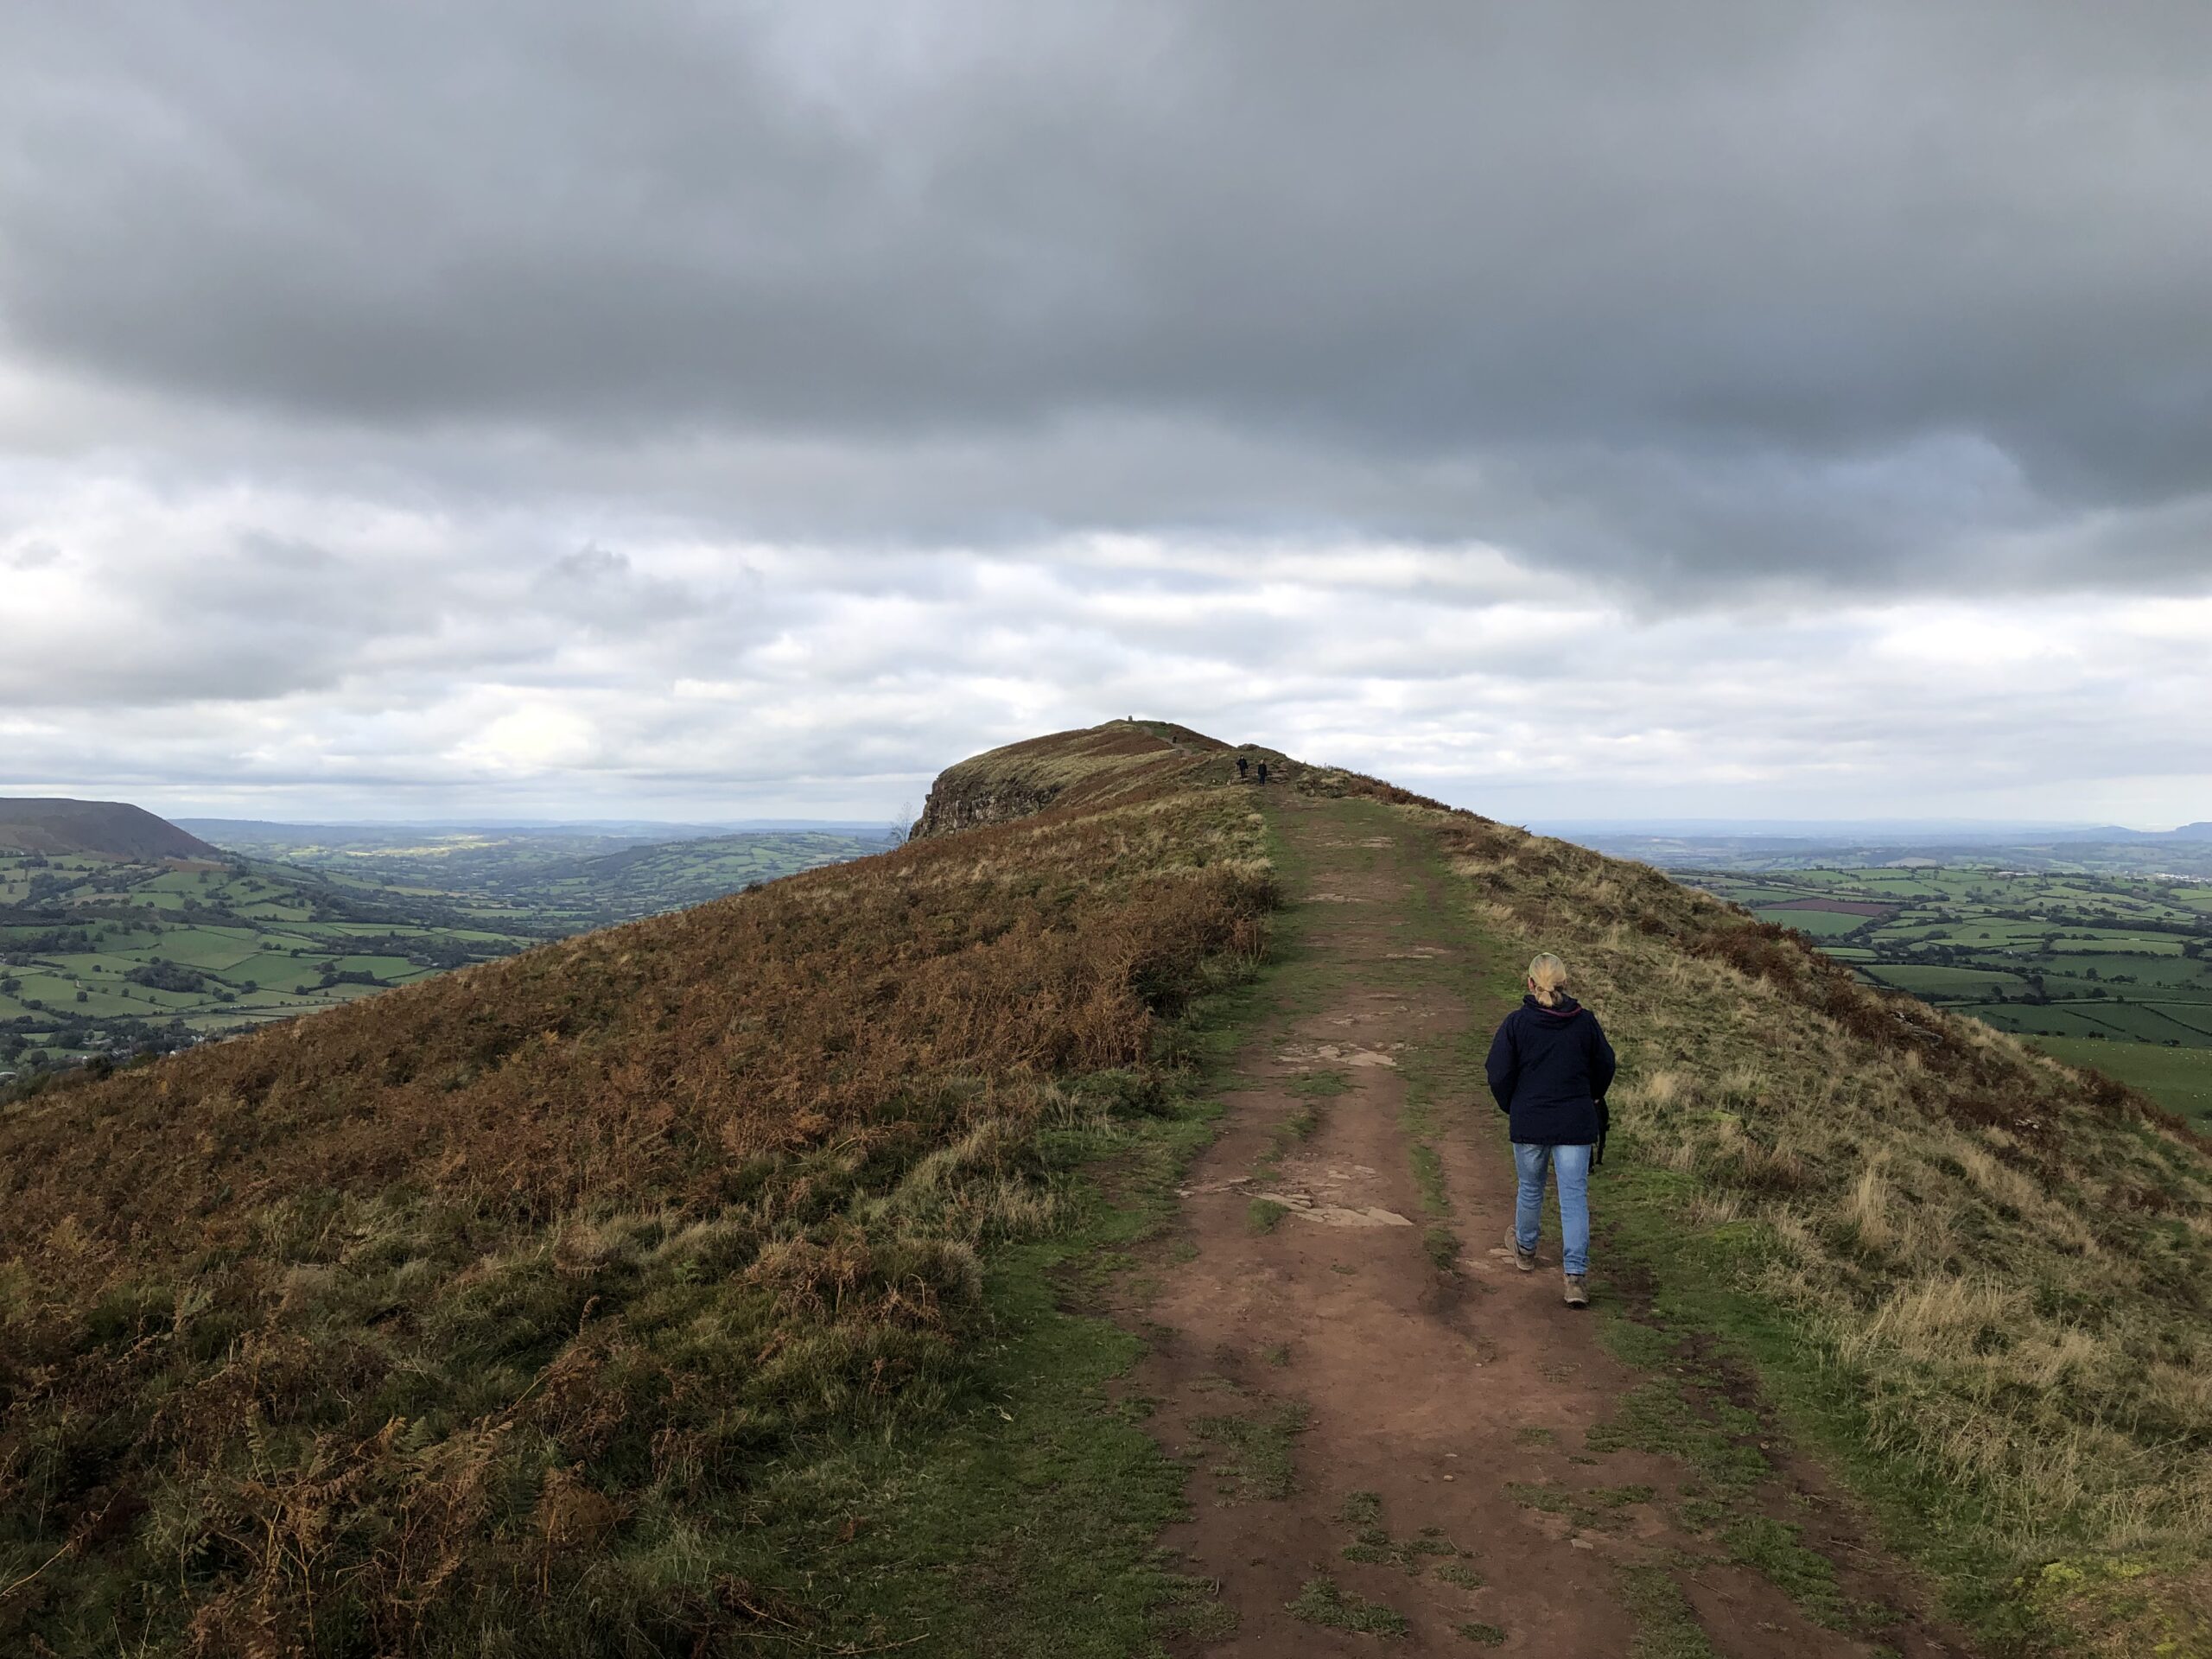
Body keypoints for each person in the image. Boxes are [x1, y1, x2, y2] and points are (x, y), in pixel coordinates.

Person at [1484, 952, 1616, 1306]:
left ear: (1530, 983)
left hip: (1530, 1120)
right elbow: (1606, 1064)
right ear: (1565, 984)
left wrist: (1513, 1105)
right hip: (1575, 1121)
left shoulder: (1515, 1024)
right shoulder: (1585, 1022)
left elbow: (1497, 1072)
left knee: (1530, 1187)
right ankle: (1575, 1279)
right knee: (1574, 1198)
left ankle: (1525, 1250)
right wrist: (1592, 1097)